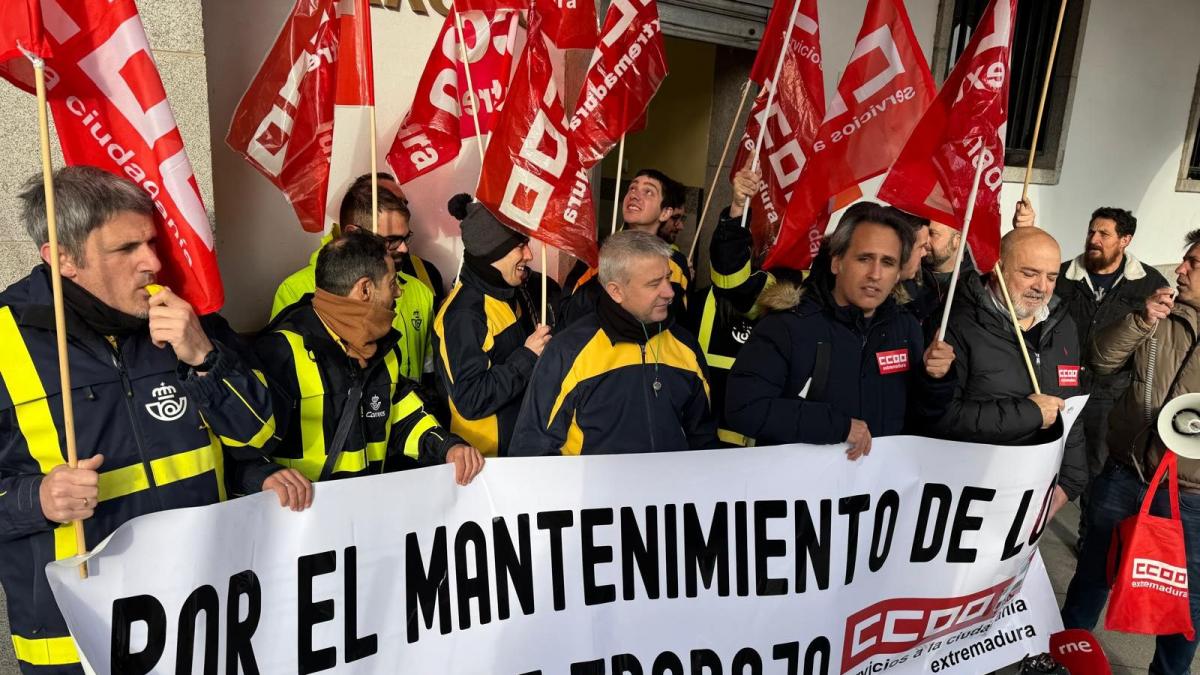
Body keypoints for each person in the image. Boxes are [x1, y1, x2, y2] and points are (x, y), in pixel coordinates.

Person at [0, 167, 311, 674]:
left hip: (197, 611)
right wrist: (33, 499)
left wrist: (206, 359)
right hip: (78, 638)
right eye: (126, 249)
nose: (153, 261)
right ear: (62, 259)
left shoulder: (188, 320)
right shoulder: (4, 337)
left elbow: (260, 433)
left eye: (151, 241)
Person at [1060, 229, 1200, 674]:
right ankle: (1064, 654)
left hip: (1190, 491)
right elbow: (1099, 360)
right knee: (1094, 570)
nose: (1180, 269)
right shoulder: (1161, 314)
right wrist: (1140, 321)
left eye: (1193, 263)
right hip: (1127, 471)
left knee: (1187, 595)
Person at [725, 203, 957, 456]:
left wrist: (936, 379)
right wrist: (837, 426)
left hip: (876, 489)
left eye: (888, 262)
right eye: (864, 258)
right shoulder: (787, 325)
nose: (875, 274)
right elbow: (744, 409)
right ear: (837, 262)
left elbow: (920, 418)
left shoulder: (906, 327)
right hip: (803, 490)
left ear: (899, 272)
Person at [257, 231, 484, 483]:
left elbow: (403, 418)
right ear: (365, 289)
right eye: (392, 282)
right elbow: (245, 447)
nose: (398, 293)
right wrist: (265, 477)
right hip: (306, 518)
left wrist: (448, 448)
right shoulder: (280, 352)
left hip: (366, 514)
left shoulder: (383, 349)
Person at [511, 231, 717, 455]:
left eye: (668, 278)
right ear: (616, 291)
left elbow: (703, 439)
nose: (669, 292)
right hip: (592, 490)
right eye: (654, 283)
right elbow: (532, 448)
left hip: (671, 489)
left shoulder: (685, 345)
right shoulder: (568, 351)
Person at [930, 227, 1088, 511]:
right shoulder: (957, 324)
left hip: (1036, 498)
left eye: (1052, 277)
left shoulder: (1063, 325)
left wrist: (1072, 479)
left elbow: (1069, 406)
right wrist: (1029, 413)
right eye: (1029, 273)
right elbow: (942, 417)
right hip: (968, 497)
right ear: (997, 269)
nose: (1042, 286)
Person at [271, 174, 437, 385]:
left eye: (406, 238)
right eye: (392, 240)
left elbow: (429, 372)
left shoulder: (419, 290)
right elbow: (285, 378)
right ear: (353, 233)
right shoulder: (294, 290)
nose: (404, 248)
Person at [433, 194, 560, 457]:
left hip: (520, 453)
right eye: (520, 246)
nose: (530, 254)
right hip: (488, 464)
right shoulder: (464, 315)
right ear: (491, 252)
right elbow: (471, 399)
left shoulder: (508, 292)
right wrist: (527, 356)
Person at [1054, 208, 1167, 488]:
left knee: (1096, 470)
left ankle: (1087, 531)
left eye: (1104, 234)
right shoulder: (1061, 276)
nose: (1094, 239)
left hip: (1110, 395)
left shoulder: (1149, 284)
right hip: (1060, 388)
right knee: (1051, 463)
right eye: (1092, 231)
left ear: (1125, 240)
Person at [689, 167, 773, 447]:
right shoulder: (763, 287)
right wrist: (737, 208)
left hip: (755, 450)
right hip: (704, 438)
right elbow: (730, 273)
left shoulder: (797, 289)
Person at [561, 169, 691, 325]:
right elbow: (567, 314)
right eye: (632, 188)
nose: (635, 195)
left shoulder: (676, 264)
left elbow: (680, 324)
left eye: (648, 192)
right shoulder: (596, 253)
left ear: (665, 213)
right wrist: (608, 273)